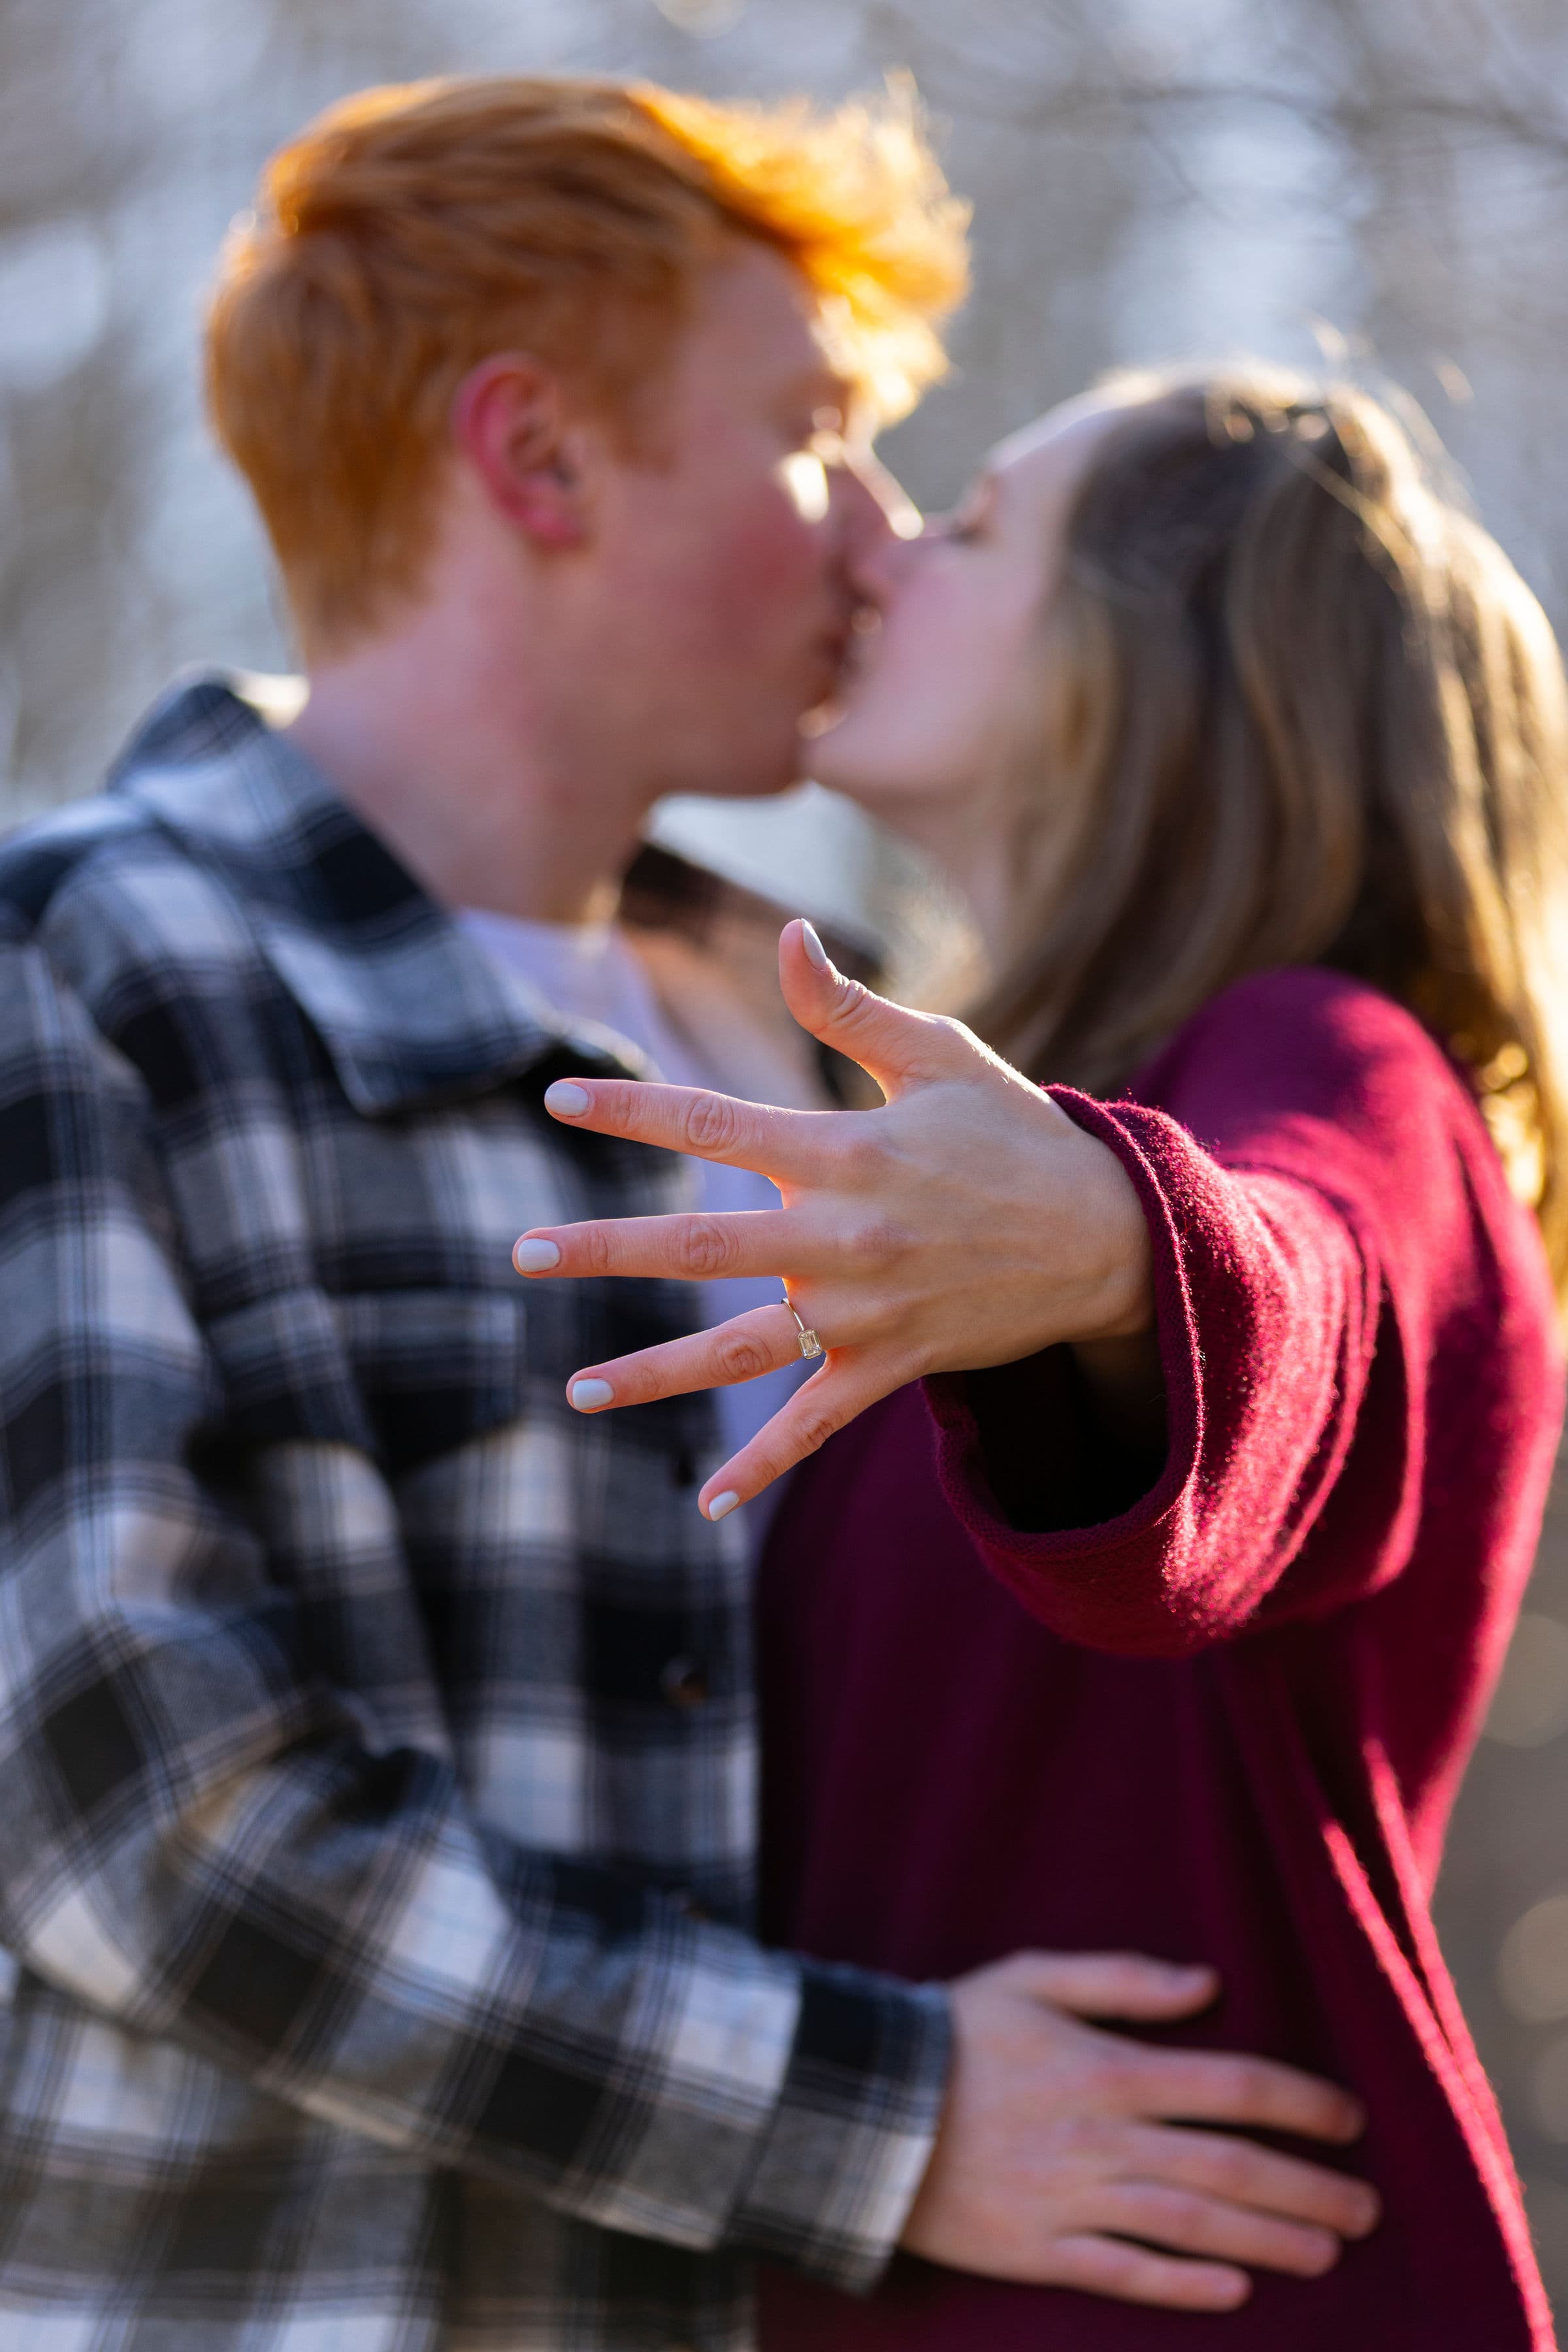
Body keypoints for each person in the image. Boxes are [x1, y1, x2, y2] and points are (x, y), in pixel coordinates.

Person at [0, 80, 1375, 2352]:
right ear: (537, 460)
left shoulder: (812, 1036)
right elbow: (129, 1813)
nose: (877, 529)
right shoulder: (77, 971)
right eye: (814, 430)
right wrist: (892, 2122)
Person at [513, 366, 1568, 2347]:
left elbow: (1319, 1282)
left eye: (979, 524)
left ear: (1163, 662)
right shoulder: (979, 1117)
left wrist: (1118, 1245)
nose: (888, 546)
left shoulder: (1340, 1065)